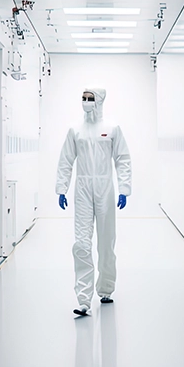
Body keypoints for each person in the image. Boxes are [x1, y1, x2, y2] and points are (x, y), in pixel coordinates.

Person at [56, 88, 131, 316]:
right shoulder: (75, 130)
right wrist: (62, 188)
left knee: (106, 242)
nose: (85, 102)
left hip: (105, 189)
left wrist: (124, 189)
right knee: (81, 243)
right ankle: (84, 299)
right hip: (83, 190)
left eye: (90, 99)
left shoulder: (112, 129)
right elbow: (66, 160)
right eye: (83, 98)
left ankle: (106, 289)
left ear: (99, 101)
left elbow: (122, 159)